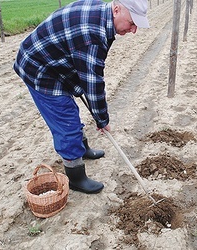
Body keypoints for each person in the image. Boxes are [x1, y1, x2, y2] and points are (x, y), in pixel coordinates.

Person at [13, 0, 149, 194]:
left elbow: (84, 66)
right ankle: (76, 176)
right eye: (132, 23)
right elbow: (93, 83)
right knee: (66, 121)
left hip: (55, 62)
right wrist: (102, 119)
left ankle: (82, 149)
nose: (133, 30)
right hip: (39, 68)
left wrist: (88, 99)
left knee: (71, 109)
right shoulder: (93, 35)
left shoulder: (101, 12)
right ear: (117, 9)